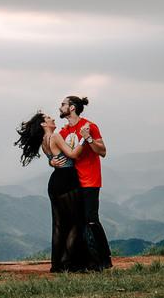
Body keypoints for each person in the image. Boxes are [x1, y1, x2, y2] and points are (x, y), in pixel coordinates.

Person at [14, 111, 90, 273]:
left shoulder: (44, 141)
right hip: (67, 180)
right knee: (77, 222)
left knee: (58, 225)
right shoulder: (54, 137)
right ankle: (67, 262)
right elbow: (73, 154)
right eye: (48, 118)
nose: (53, 118)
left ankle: (57, 265)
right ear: (43, 124)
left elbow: (55, 157)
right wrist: (84, 137)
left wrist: (51, 161)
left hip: (55, 181)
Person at [56, 95, 114, 270]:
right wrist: (51, 161)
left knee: (91, 220)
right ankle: (87, 260)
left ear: (72, 108)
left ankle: (104, 259)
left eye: (63, 105)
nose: (60, 108)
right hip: (75, 182)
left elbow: (102, 151)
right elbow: (56, 153)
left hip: (90, 179)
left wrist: (88, 138)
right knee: (79, 221)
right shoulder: (64, 132)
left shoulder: (89, 126)